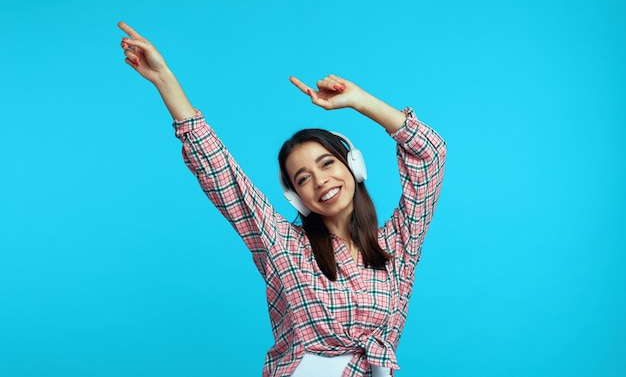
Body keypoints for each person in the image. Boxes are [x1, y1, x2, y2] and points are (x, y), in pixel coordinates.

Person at [118, 21, 446, 377]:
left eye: (327, 164)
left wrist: (360, 101)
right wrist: (165, 79)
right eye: (303, 178)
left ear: (353, 165)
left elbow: (430, 157)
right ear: (296, 195)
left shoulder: (398, 245)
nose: (320, 181)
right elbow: (222, 175)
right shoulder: (283, 246)